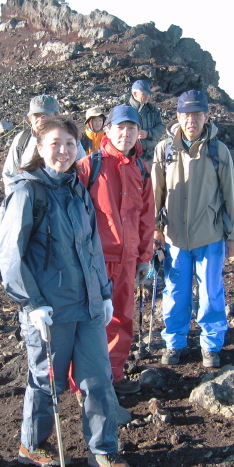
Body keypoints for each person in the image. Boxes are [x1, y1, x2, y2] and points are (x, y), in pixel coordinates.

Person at [0, 116, 132, 467]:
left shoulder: (76, 190)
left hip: (87, 305)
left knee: (97, 378)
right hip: (49, 309)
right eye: (55, 143)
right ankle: (33, 444)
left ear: (79, 148)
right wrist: (32, 303)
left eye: (70, 144)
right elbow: (11, 256)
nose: (63, 150)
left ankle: (103, 449)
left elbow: (91, 248)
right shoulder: (27, 193)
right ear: (40, 149)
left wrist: (104, 294)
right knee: (47, 380)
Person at [152, 89, 234, 368]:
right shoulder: (164, 149)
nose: (191, 119)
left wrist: (233, 235)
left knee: (211, 291)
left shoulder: (218, 151)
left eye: (197, 114)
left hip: (211, 235)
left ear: (206, 116)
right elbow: (156, 193)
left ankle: (211, 345)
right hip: (175, 236)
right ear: (178, 116)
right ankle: (174, 342)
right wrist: (155, 230)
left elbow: (231, 196)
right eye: (186, 114)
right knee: (175, 291)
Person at [76, 105, 155, 395]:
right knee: (90, 321)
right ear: (107, 130)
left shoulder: (142, 169)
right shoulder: (89, 165)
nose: (126, 133)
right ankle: (86, 383)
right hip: (96, 261)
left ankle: (114, 378)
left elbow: (147, 217)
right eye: (120, 127)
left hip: (128, 260)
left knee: (122, 317)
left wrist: (144, 257)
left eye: (131, 128)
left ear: (138, 133)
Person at [1, 94, 86, 194]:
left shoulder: (71, 142)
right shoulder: (21, 140)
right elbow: (9, 175)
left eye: (45, 115)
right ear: (29, 118)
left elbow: (83, 172)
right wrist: (18, 199)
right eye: (36, 115)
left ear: (57, 116)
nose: (41, 120)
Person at [128, 80, 165, 163]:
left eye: (148, 93)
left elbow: (161, 127)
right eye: (144, 93)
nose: (147, 96)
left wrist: (148, 134)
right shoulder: (125, 110)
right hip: (132, 157)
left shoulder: (153, 109)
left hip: (152, 156)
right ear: (135, 93)